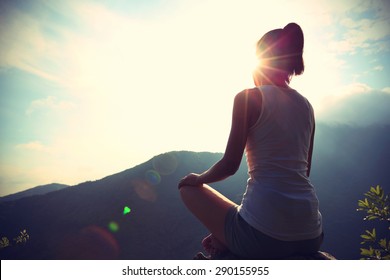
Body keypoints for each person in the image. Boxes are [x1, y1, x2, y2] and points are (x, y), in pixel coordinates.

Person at [178, 23, 323, 259]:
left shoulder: (249, 98)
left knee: (187, 188)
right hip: (311, 235)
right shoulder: (307, 107)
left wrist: (199, 178)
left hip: (265, 238)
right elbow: (305, 170)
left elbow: (229, 166)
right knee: (242, 213)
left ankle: (227, 240)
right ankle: (226, 237)